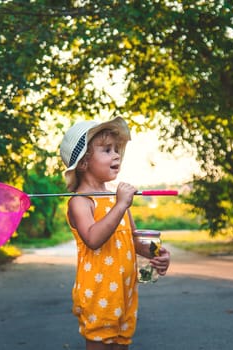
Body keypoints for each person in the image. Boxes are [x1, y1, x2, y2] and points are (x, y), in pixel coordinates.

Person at [59, 117, 171, 349]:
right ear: (83, 163)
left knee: (122, 343)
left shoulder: (114, 198)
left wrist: (157, 252)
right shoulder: (81, 202)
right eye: (107, 150)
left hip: (125, 291)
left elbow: (133, 240)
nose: (116, 155)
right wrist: (121, 205)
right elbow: (93, 238)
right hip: (98, 292)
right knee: (100, 342)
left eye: (117, 149)